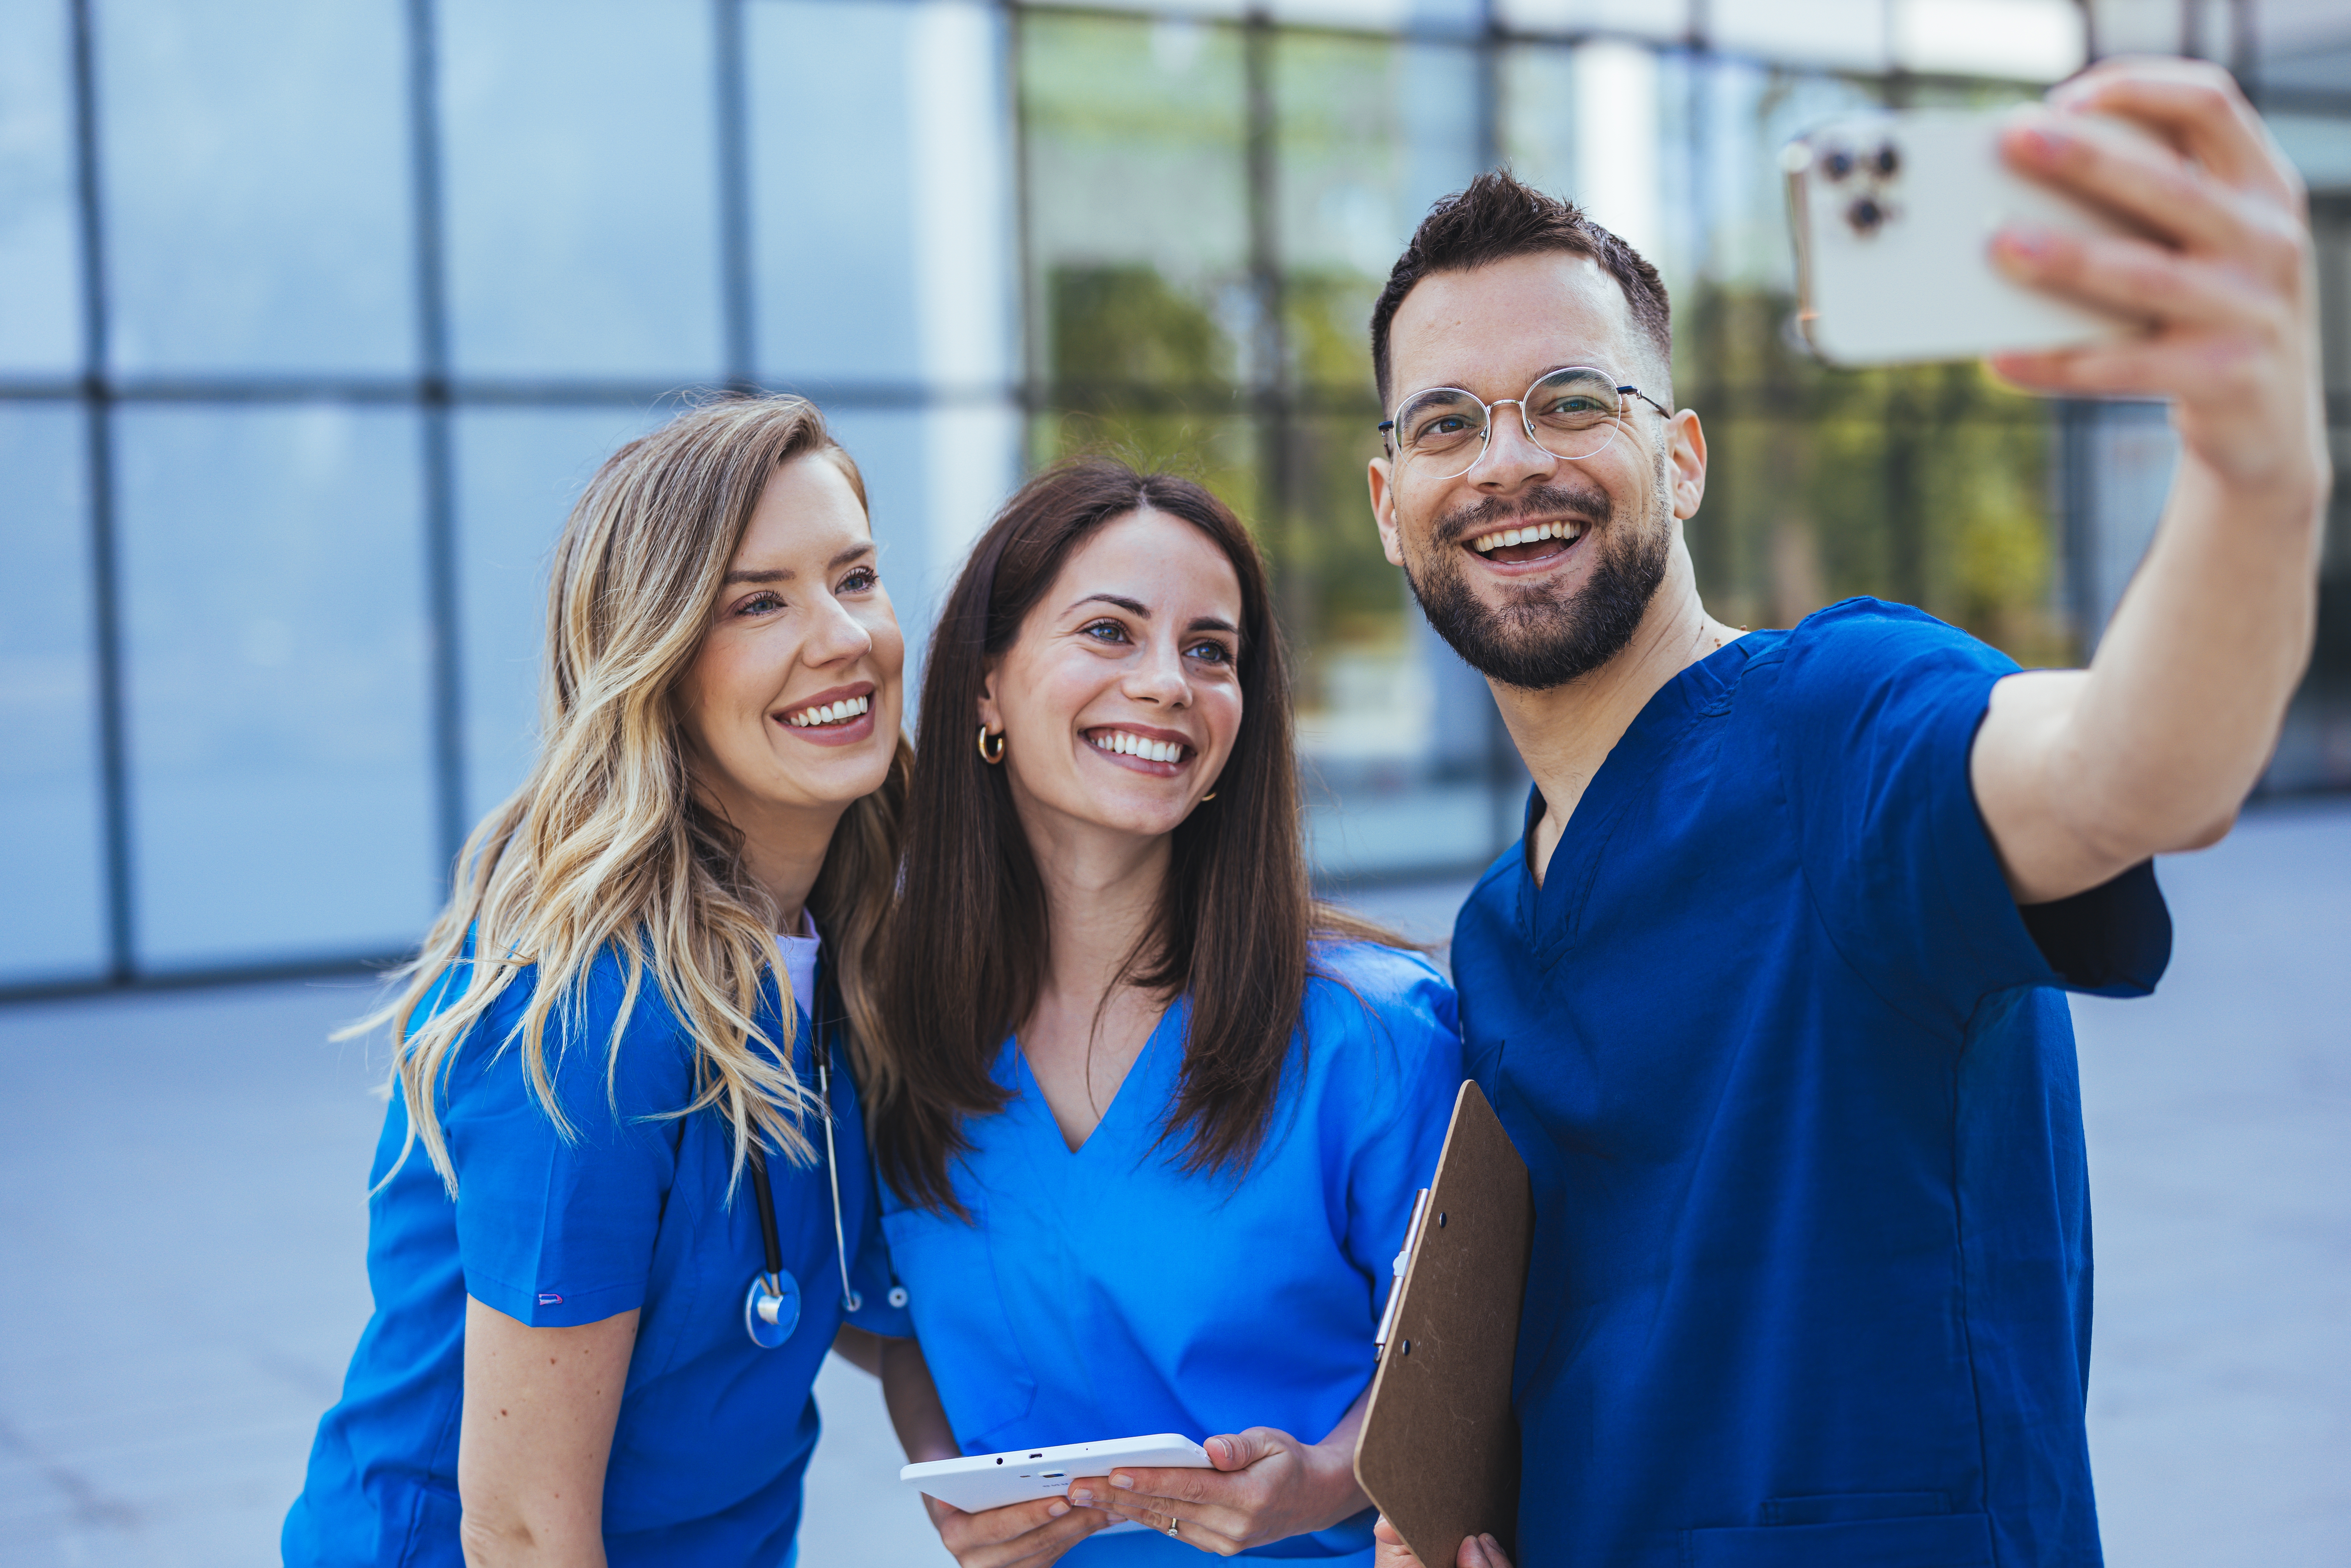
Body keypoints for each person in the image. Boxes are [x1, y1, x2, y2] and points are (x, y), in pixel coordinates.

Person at [1361, 57, 2330, 1568]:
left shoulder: (1844, 727)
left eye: (1571, 398)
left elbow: (2130, 772)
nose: (1510, 460)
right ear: (1386, 502)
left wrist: (2257, 467)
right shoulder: (1497, 934)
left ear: (1680, 460)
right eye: (1445, 423)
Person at [284, 396, 914, 1566]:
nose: (842, 637)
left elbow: (865, 1302)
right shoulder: (583, 1007)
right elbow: (521, 1527)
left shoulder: (852, 945)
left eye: (858, 577)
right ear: (658, 662)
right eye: (758, 600)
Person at [853, 459, 1462, 1567]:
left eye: (1209, 651)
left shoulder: (1376, 1038)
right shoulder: (895, 1028)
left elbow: (1467, 1369)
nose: (1168, 683)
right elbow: (902, 1330)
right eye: (1109, 632)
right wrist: (960, 1498)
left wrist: (1320, 1483)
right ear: (987, 686)